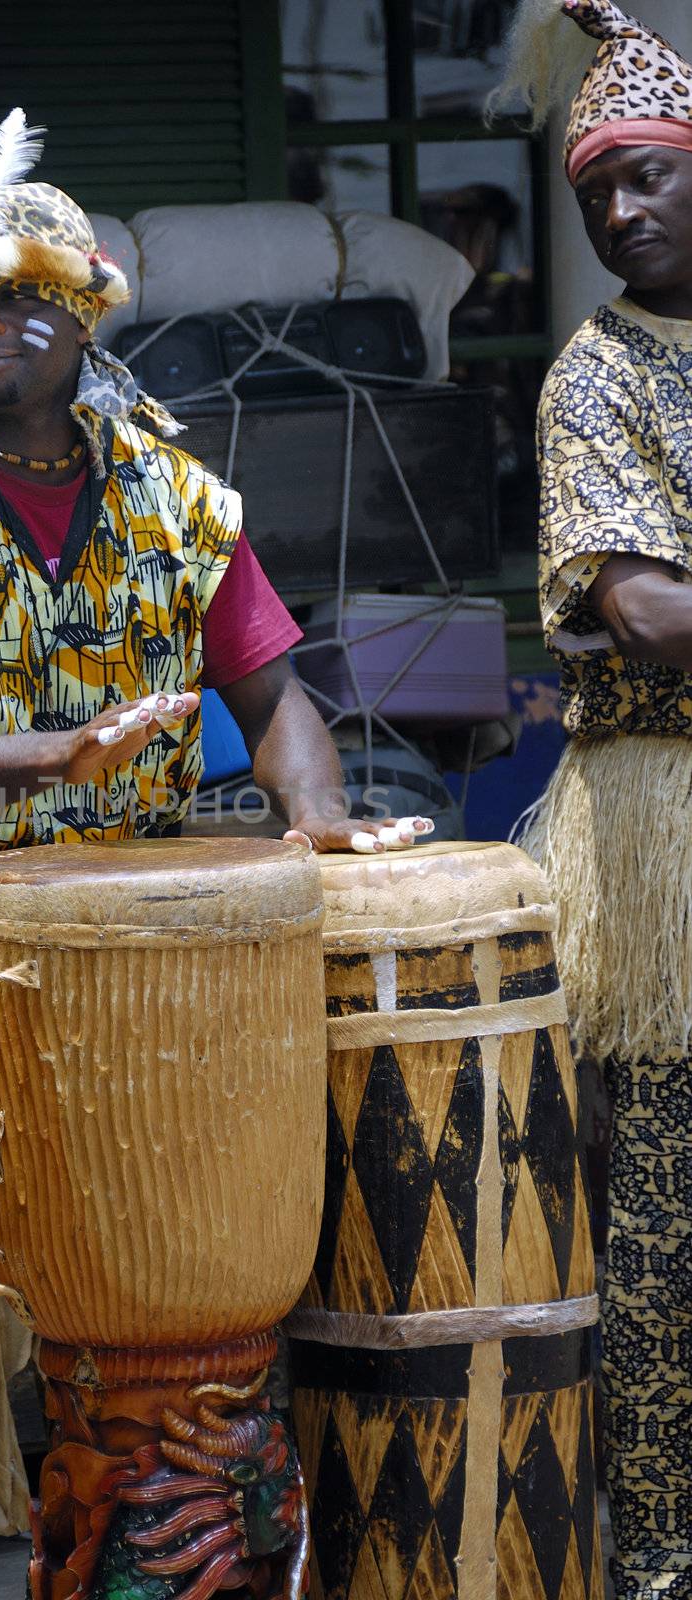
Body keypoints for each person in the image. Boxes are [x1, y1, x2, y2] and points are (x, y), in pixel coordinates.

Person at [0, 66, 396, 1599]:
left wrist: (313, 818)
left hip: (128, 980)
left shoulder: (174, 499)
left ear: (84, 317)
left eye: (14, 302)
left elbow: (272, 680)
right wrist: (59, 750)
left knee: (149, 1336)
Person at [496, 3, 692, 1594]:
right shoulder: (592, 377)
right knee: (664, 1230)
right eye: (595, 199)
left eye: (647, 180)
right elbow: (642, 608)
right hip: (662, 837)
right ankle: (663, 1557)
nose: (621, 215)